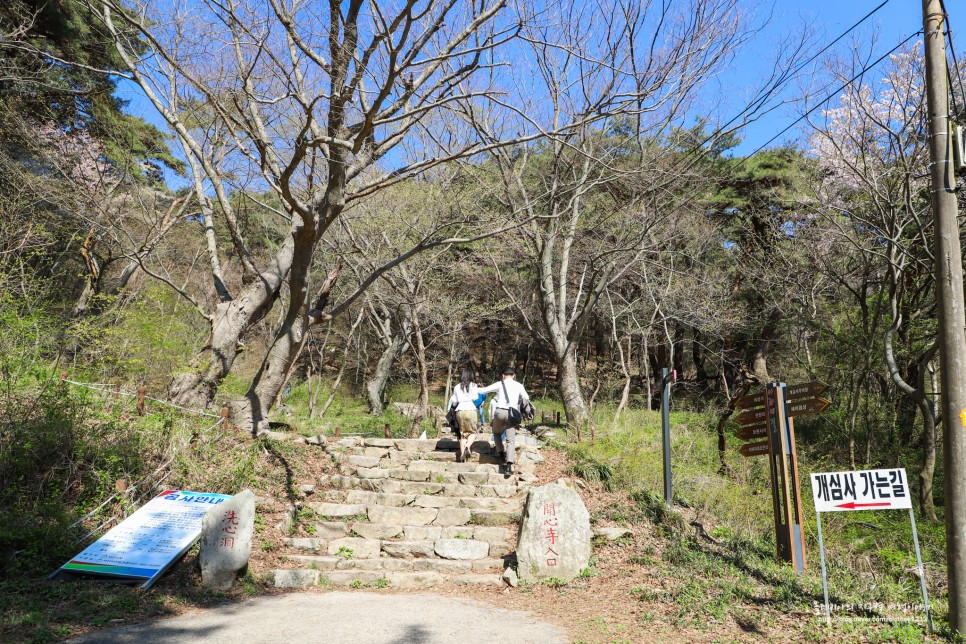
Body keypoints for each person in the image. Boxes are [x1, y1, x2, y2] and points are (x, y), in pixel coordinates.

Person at [478, 366, 530, 475]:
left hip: (500, 412)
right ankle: (508, 466)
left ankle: (501, 454)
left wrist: (471, 388)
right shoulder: (519, 385)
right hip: (512, 414)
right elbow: (526, 398)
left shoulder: (499, 384)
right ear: (514, 375)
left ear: (503, 375)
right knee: (510, 440)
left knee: (496, 432)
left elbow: (484, 390)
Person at [448, 368, 481, 462]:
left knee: (463, 435)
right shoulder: (473, 385)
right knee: (473, 432)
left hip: (460, 410)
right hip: (471, 409)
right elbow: (475, 397)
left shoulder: (457, 386)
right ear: (471, 376)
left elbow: (454, 402)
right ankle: (468, 446)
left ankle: (462, 456)